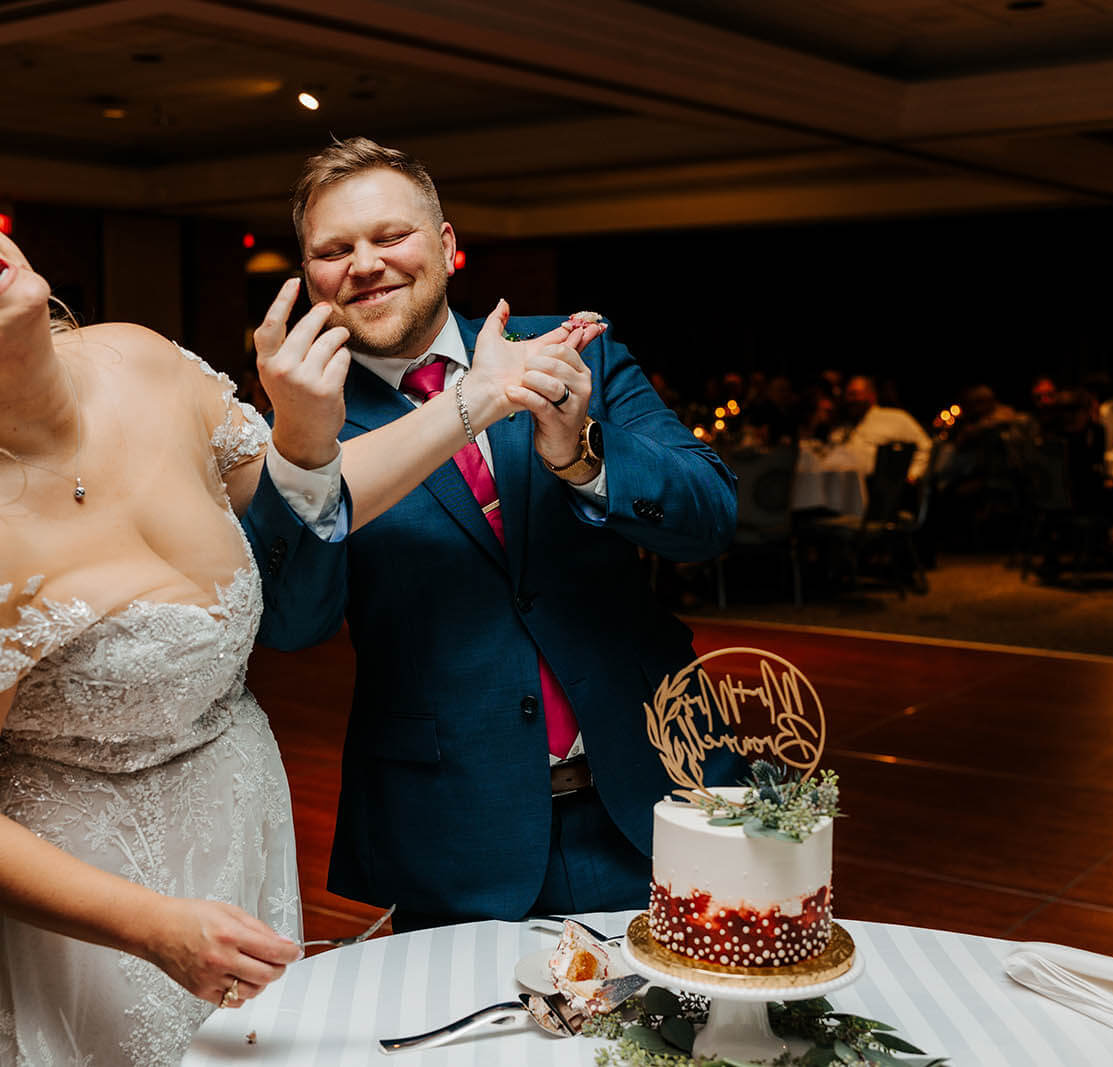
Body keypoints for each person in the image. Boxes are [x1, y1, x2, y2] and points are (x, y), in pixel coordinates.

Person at [0, 173, 597, 1064]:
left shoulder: (140, 360)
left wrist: (476, 400)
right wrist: (152, 927)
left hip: (235, 834)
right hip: (78, 916)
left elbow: (305, 497)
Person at [240, 137, 740, 931]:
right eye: (334, 251)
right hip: (453, 828)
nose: (364, 263)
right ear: (309, 278)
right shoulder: (312, 423)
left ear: (444, 245)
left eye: (390, 236)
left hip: (663, 788)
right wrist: (300, 447)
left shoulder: (571, 347)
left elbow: (710, 514)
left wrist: (582, 455)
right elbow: (293, 626)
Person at [833, 375, 931, 482]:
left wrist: (913, 475)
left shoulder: (895, 418)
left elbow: (925, 445)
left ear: (871, 395)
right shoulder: (842, 427)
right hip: (846, 488)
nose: (849, 399)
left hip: (881, 491)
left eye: (854, 394)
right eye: (847, 395)